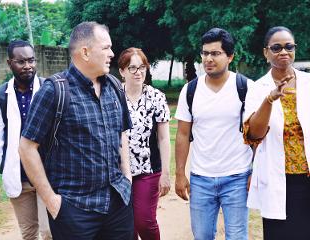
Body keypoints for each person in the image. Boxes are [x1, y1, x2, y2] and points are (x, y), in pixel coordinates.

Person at [18, 21, 134, 240]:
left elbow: (123, 132)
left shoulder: (115, 87)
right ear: (85, 52)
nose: (112, 53)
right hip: (74, 209)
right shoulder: (54, 91)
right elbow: (27, 147)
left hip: (118, 201)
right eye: (106, 47)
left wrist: (126, 175)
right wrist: (52, 201)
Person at [174, 28, 253, 240]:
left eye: (215, 53)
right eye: (205, 53)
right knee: (202, 236)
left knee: (237, 236)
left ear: (230, 56)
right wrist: (180, 174)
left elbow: (257, 134)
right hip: (201, 179)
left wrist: (255, 172)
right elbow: (182, 134)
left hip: (237, 176)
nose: (208, 59)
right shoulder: (190, 90)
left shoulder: (245, 87)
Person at [244, 26, 310, 240]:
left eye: (289, 46)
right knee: (280, 235)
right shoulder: (257, 88)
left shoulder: (308, 83)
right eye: (277, 47)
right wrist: (270, 99)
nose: (283, 51)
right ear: (266, 52)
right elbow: (253, 133)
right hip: (277, 178)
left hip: (306, 177)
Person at [0, 40, 52, 240]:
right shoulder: (0, 97)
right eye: (21, 61)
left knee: (50, 232)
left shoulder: (48, 89)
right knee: (28, 234)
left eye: (31, 60)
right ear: (10, 63)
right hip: (19, 176)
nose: (28, 66)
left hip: (47, 174)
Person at [118, 47, 171, 240]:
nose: (138, 72)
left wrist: (165, 173)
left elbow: (164, 138)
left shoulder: (156, 97)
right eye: (132, 68)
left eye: (142, 67)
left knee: (144, 221)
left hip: (148, 171)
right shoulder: (114, 97)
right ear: (122, 71)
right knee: (126, 225)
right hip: (119, 172)